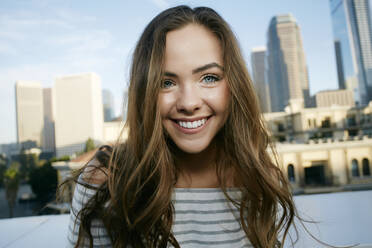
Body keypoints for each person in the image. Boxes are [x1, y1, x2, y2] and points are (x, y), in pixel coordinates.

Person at [65, 5, 297, 248]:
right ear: (145, 92)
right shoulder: (106, 181)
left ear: (234, 85)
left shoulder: (260, 179)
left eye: (209, 78)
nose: (188, 103)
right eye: (166, 82)